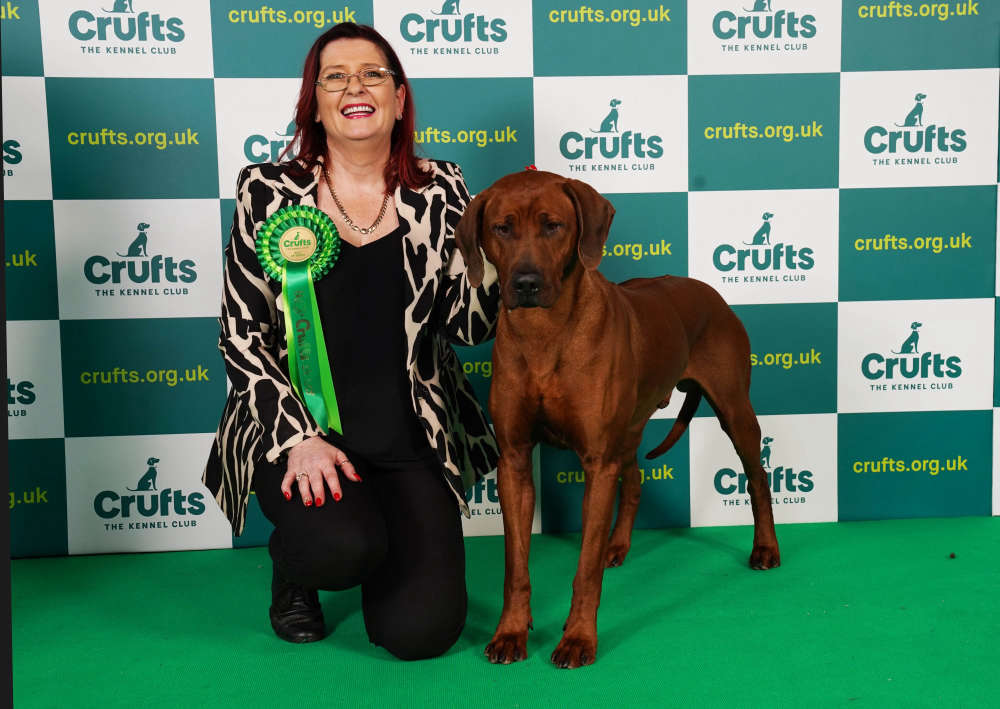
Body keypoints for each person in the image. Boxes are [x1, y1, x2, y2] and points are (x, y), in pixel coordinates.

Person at [202, 22, 500, 661]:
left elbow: (472, 330)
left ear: (398, 95)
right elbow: (242, 332)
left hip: (411, 436)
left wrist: (495, 245)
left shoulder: (442, 189)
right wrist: (297, 441)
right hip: (305, 437)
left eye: (371, 74)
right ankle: (299, 569)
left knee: (423, 635)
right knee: (341, 547)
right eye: (334, 77)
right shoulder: (268, 191)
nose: (354, 87)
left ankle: (380, 530)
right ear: (314, 102)